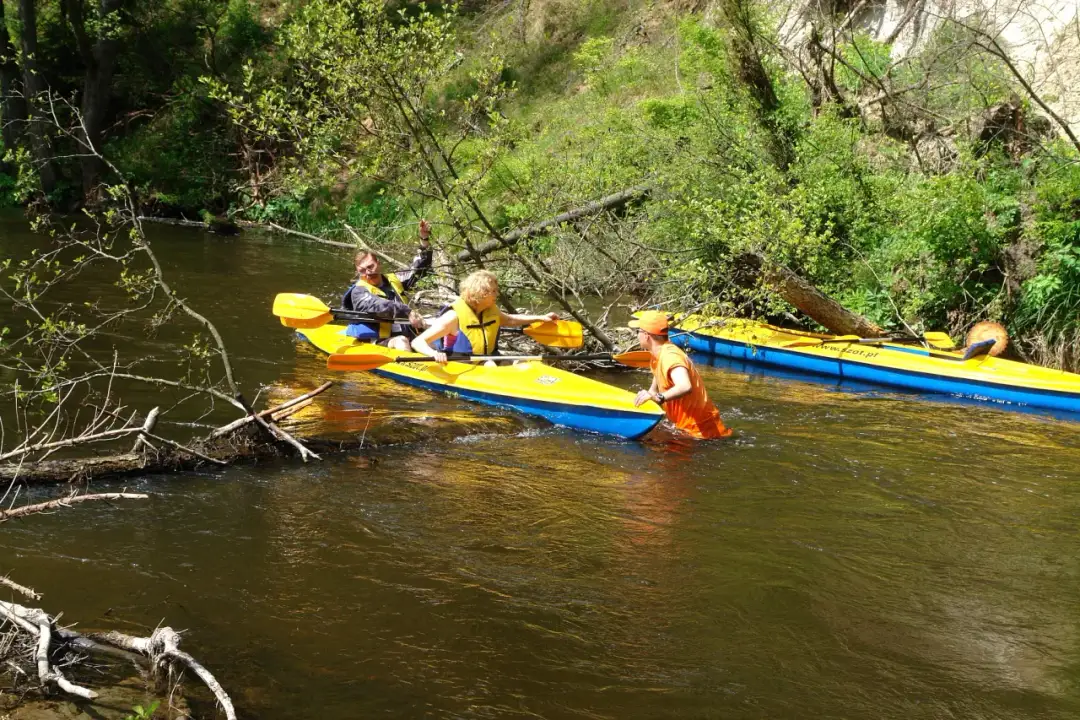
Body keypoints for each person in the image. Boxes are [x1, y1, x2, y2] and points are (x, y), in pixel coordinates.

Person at [411, 270, 558, 364]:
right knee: (490, 365)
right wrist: (434, 354)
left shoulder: (490, 311)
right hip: (463, 363)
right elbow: (418, 342)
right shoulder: (453, 317)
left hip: (489, 358)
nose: (496, 294)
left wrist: (540, 318)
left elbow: (510, 320)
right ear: (480, 293)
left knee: (524, 363)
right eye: (493, 291)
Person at [630, 310, 732, 439]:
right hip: (684, 428)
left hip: (701, 433)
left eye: (638, 331)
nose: (637, 335)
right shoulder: (656, 356)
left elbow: (684, 386)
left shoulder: (670, 356)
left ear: (646, 335)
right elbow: (653, 392)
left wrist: (658, 397)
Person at [343, 219, 433, 351]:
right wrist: (407, 312)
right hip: (380, 340)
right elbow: (378, 305)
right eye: (362, 271)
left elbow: (420, 267)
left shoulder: (395, 279)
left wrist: (424, 238)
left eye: (370, 267)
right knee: (401, 342)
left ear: (378, 264)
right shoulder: (358, 292)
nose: (368, 273)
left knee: (433, 338)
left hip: (408, 333)